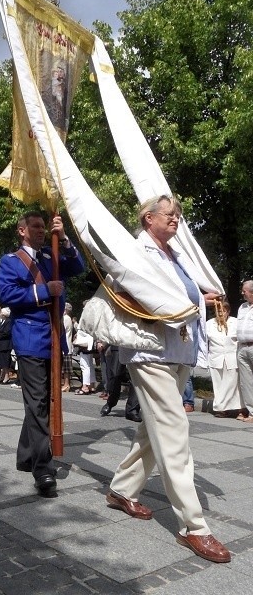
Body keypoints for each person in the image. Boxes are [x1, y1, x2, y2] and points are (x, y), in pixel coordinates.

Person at [106, 195, 230, 564]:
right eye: (170, 214)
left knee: (153, 430)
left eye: (178, 214)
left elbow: (178, 297)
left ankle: (121, 489)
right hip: (149, 351)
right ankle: (194, 527)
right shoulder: (135, 250)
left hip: (178, 350)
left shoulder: (175, 255)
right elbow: (120, 291)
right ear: (148, 219)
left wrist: (200, 300)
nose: (177, 219)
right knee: (175, 431)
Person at [0, 211, 84, 495]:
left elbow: (78, 267)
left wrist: (65, 238)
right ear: (21, 230)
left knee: (42, 401)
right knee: (38, 404)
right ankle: (43, 469)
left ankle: (25, 456)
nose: (41, 231)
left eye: (44, 227)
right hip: (31, 338)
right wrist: (45, 291)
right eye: (35, 227)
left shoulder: (50, 255)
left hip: (54, 338)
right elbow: (7, 295)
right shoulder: (10, 262)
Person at [206, 302, 245, 418]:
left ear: (228, 312)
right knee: (218, 385)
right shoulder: (209, 324)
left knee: (232, 384)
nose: (221, 314)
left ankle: (236, 408)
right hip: (215, 358)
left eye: (223, 311)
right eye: (218, 312)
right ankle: (223, 409)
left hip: (231, 357)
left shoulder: (236, 322)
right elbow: (205, 342)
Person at [100, 344, 141, 421]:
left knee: (136, 376)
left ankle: (132, 409)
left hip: (138, 343)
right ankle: (111, 402)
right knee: (115, 373)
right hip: (120, 342)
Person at [235, 281, 253, 424]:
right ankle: (252, 412)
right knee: (246, 382)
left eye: (244, 291)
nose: (242, 293)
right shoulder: (242, 307)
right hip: (241, 347)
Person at [0, 307, 13, 384]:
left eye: (1, 312)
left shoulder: (8, 321)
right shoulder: (2, 321)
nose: (0, 314)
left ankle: (6, 376)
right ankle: (2, 376)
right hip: (0, 344)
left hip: (6, 344)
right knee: (1, 362)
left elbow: (7, 332)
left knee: (5, 361)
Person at [61, 302, 74, 392]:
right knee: (65, 367)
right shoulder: (67, 318)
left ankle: (66, 384)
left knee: (66, 367)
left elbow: (61, 330)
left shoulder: (66, 318)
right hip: (66, 345)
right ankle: (66, 384)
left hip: (66, 346)